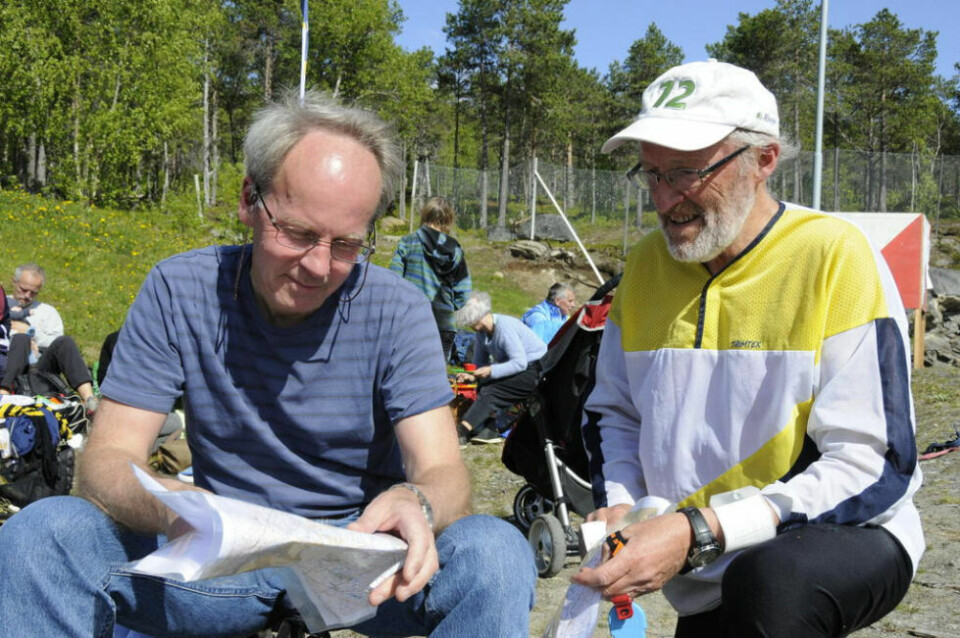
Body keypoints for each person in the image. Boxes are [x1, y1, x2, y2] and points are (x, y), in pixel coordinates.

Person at [0, 90, 535, 637]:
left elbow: (443, 470)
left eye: (348, 244)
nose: (320, 266)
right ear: (249, 200)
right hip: (217, 555)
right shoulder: (179, 288)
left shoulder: (398, 309)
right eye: (298, 234)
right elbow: (108, 459)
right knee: (44, 534)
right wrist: (169, 505)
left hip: (365, 562)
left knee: (494, 552)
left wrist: (416, 500)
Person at [572, 60, 923, 637]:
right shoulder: (643, 266)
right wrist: (624, 505)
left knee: (770, 584)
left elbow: (873, 463)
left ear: (764, 160)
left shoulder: (834, 254)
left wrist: (702, 530)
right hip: (702, 559)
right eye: (652, 173)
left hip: (836, 534)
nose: (665, 200)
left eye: (686, 172)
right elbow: (616, 413)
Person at [1, 263, 98, 413]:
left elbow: (56, 344)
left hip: (39, 366)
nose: (27, 296)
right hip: (9, 361)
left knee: (66, 342)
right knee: (21, 339)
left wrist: (32, 334)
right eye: (23, 290)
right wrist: (21, 338)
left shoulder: (47, 312)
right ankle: (3, 392)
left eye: (33, 293)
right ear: (14, 282)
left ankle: (89, 398)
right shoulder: (3, 305)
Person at [454, 291, 546, 445]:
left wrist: (490, 371)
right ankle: (489, 429)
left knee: (493, 390)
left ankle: (461, 431)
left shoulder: (504, 328)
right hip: (522, 368)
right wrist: (471, 375)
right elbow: (479, 363)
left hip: (537, 370)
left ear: (479, 317)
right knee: (484, 383)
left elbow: (519, 363)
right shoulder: (481, 333)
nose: (469, 325)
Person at [389, 196, 472, 362]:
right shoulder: (454, 249)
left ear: (424, 215)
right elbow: (463, 292)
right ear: (448, 219)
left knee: (406, 373)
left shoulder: (407, 243)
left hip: (411, 322)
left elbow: (393, 281)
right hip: (443, 324)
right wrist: (448, 307)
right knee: (435, 380)